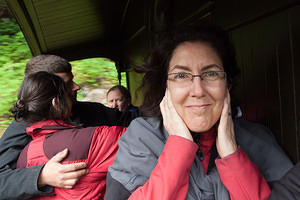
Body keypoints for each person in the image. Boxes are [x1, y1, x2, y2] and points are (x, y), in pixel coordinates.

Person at [104, 26, 293, 199]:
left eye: (211, 74)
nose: (198, 90)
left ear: (228, 83)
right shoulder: (140, 138)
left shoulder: (258, 139)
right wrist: (179, 148)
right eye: (181, 75)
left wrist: (232, 156)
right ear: (165, 87)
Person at [0, 55, 136, 199]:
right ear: (43, 87)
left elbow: (129, 119)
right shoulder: (22, 126)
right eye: (66, 83)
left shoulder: (87, 110)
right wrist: (41, 176)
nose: (76, 86)